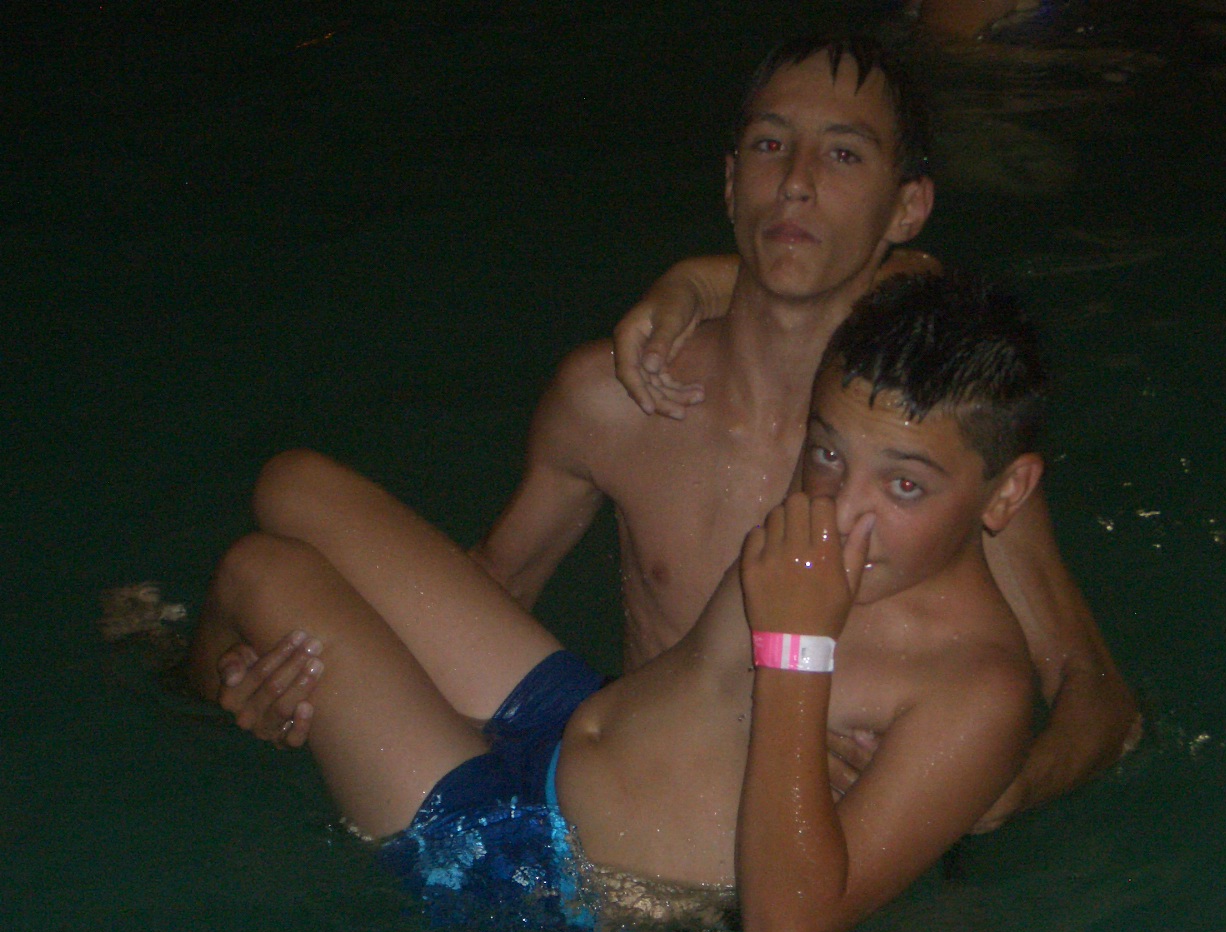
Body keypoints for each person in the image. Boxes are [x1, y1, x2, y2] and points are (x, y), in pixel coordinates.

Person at [216, 34, 1139, 831]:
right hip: (603, 749)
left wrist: (996, 793)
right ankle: (190, 663)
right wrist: (271, 676)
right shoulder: (616, 396)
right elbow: (495, 583)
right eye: (771, 145)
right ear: (733, 181)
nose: (798, 182)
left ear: (906, 209)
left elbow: (1098, 698)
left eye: (843, 156)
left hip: (740, 849)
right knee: (287, 498)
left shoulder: (927, 451)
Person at [188, 269, 1049, 932]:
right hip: (573, 719)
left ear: (1006, 493)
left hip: (539, 873)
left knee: (261, 574)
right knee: (292, 486)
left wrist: (798, 647)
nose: (841, 509)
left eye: (905, 486)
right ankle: (228, 685)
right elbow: (810, 266)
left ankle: (192, 692)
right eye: (826, 452)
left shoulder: (977, 690)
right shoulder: (846, 486)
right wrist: (688, 286)